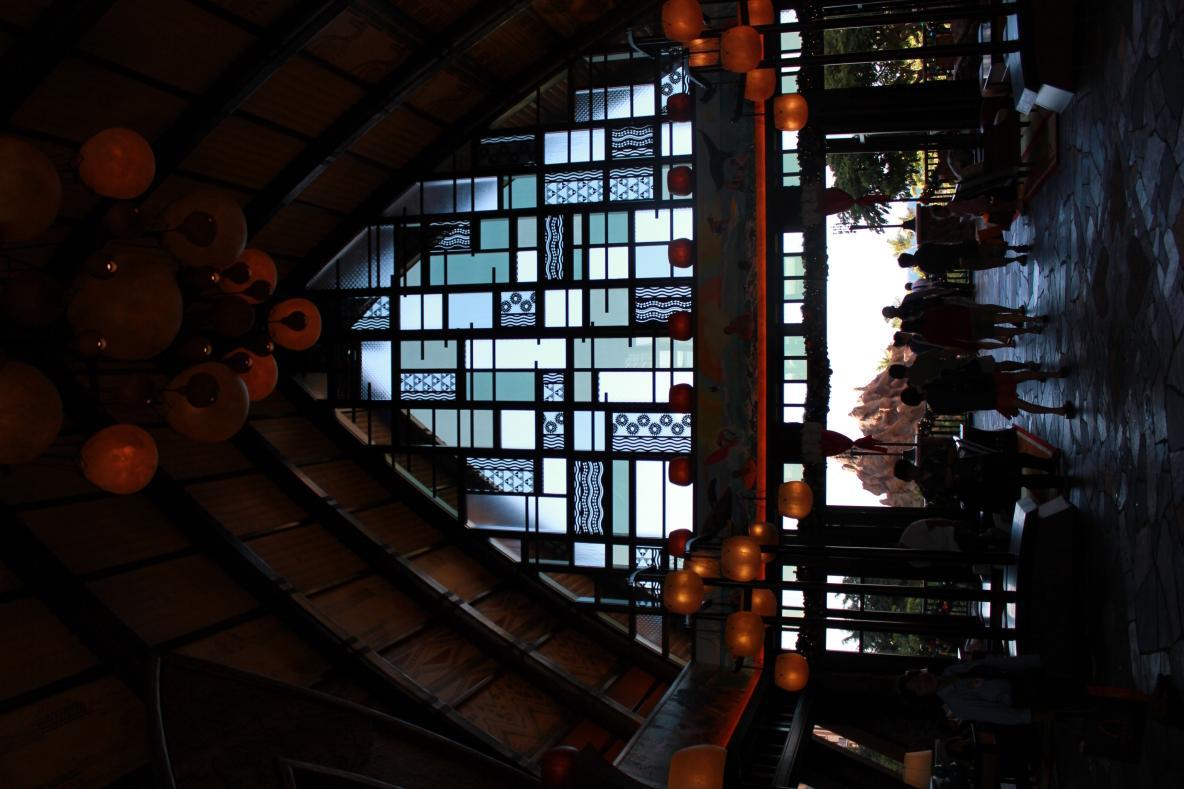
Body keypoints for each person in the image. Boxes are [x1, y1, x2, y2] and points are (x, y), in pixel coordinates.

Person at [899, 366, 1075, 419]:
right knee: (1017, 377)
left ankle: (1057, 411)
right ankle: (1054, 374)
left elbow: (961, 409)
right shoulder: (933, 384)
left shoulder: (936, 407)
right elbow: (953, 375)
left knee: (1021, 404)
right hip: (981, 382)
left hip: (983, 400)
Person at [899, 303, 1046, 349]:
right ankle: (1033, 319)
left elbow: (948, 342)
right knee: (1000, 318)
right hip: (967, 316)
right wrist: (965, 308)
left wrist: (967, 346)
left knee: (1000, 331)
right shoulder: (928, 313)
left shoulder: (927, 336)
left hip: (968, 333)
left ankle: (1030, 330)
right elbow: (949, 307)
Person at [898, 239, 1030, 276]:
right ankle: (1014, 248)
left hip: (960, 262)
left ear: (909, 265)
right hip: (960, 249)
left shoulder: (924, 267)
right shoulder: (923, 248)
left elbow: (942, 272)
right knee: (988, 248)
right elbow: (941, 243)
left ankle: (1017, 259)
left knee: (989, 262)